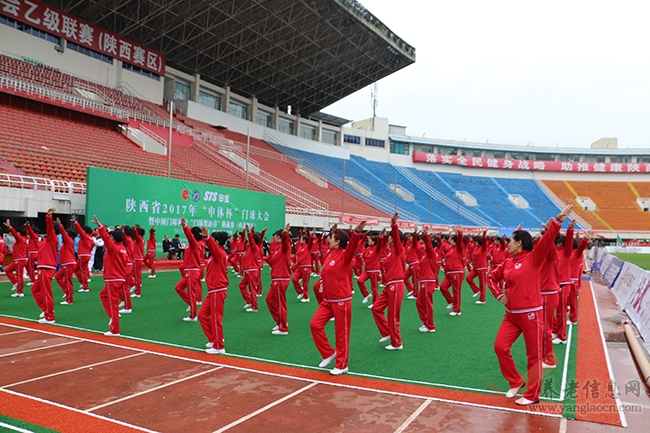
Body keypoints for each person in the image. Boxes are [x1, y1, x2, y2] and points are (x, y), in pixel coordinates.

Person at [487, 204, 573, 406]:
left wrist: (557, 222)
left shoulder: (533, 259)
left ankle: (533, 395)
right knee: (500, 347)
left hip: (531, 315)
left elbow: (546, 241)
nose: (507, 243)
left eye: (510, 241)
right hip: (511, 315)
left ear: (519, 243)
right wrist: (499, 295)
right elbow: (491, 277)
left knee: (533, 356)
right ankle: (516, 381)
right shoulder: (508, 262)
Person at [310, 221, 364, 375]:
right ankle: (328, 353)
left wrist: (357, 234)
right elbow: (325, 271)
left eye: (331, 238)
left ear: (338, 241)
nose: (328, 240)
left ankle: (342, 364)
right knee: (315, 325)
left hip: (341, 300)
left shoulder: (345, 256)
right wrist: (321, 283)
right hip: (328, 300)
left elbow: (352, 246)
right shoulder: (330, 254)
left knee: (341, 335)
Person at [371, 213, 406, 350]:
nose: (389, 238)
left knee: (393, 315)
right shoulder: (390, 250)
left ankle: (397, 343)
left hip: (396, 285)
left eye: (391, 236)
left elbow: (396, 238)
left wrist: (394, 224)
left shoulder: (398, 249)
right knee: (376, 308)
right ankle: (387, 332)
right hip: (389, 285)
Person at [92, 215, 128, 336]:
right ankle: (114, 316)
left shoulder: (114, 248)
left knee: (113, 302)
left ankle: (115, 329)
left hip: (112, 278)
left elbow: (106, 239)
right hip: (118, 278)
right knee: (103, 295)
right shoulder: (123, 248)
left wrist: (100, 226)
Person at [199, 227, 229, 354]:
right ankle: (214, 339)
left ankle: (219, 346)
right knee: (202, 315)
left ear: (216, 242)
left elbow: (212, 246)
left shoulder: (219, 254)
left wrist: (207, 238)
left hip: (218, 289)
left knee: (216, 318)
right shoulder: (216, 255)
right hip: (213, 290)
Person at [28, 209, 59, 323]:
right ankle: (46, 309)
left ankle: (49, 316)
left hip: (47, 268)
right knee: (35, 289)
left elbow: (50, 226)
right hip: (42, 267)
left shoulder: (52, 238)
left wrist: (49, 216)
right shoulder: (45, 241)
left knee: (46, 292)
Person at [174, 218, 203, 322]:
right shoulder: (193, 244)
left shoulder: (195, 244)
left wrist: (185, 227)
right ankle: (192, 304)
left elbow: (190, 238)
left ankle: (193, 316)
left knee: (191, 293)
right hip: (189, 270)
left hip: (192, 271)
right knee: (178, 288)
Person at [265, 223, 292, 335]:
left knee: (280, 303)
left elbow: (285, 242)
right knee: (269, 300)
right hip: (276, 279)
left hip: (281, 279)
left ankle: (283, 328)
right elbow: (273, 262)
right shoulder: (277, 249)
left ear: (279, 237)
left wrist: (285, 233)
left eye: (275, 237)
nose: (273, 239)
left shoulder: (285, 247)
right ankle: (280, 321)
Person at [416, 229, 439, 332]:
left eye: (425, 244)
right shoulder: (426, 255)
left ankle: (430, 326)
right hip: (424, 281)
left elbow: (428, 246)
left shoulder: (431, 254)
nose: (423, 245)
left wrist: (426, 236)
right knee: (419, 303)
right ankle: (426, 322)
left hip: (428, 281)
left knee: (427, 304)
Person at [55, 220, 77, 305]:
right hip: (66, 263)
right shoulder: (67, 241)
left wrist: (60, 225)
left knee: (68, 281)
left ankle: (69, 300)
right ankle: (67, 292)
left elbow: (63, 233)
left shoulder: (68, 240)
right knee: (58, 277)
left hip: (69, 263)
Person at [4, 220, 28, 297]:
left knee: (19, 275)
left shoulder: (20, 239)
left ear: (20, 233)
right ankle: (16, 284)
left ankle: (20, 291)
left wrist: (9, 227)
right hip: (19, 259)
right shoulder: (24, 239)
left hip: (19, 259)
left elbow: (14, 233)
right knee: (7, 270)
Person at [73, 216, 94, 293]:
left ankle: (85, 286)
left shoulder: (85, 236)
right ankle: (83, 283)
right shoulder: (90, 238)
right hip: (87, 255)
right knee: (77, 269)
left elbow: (79, 229)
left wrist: (75, 222)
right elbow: (92, 245)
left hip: (83, 255)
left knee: (82, 271)